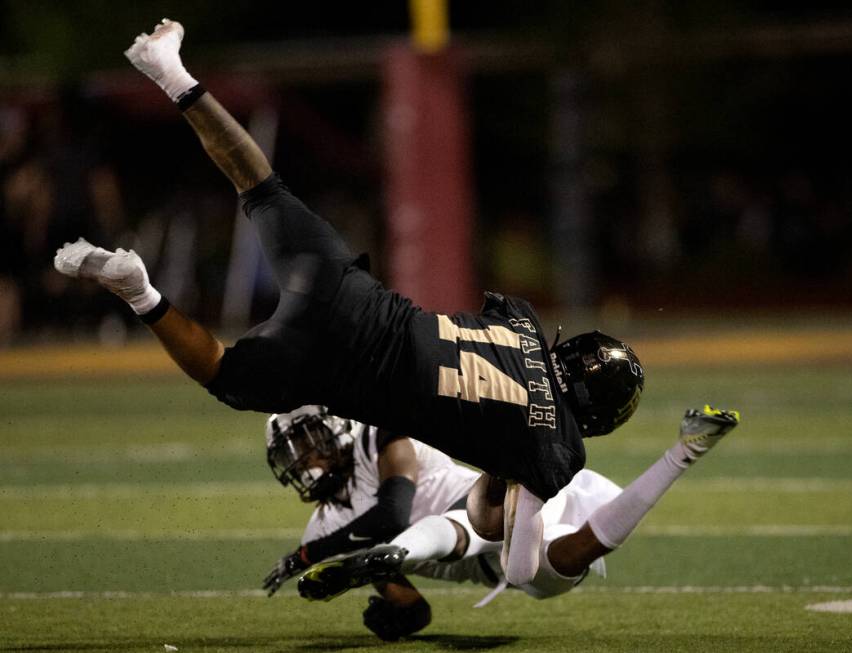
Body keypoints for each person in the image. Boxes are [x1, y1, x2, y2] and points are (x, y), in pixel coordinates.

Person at [52, 19, 644, 585]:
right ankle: (144, 294)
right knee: (225, 376)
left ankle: (170, 71)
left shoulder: (522, 318)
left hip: (355, 297)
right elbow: (505, 548)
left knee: (261, 187)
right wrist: (506, 472)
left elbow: (493, 382)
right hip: (342, 373)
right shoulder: (557, 449)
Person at [262, 404, 739, 641]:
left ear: (332, 430)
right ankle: (686, 450)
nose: (302, 461)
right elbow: (415, 610)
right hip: (506, 556)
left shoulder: (377, 440)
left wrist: (310, 556)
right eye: (290, 455)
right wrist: (394, 617)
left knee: (478, 528)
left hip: (486, 502)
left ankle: (516, 457)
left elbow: (391, 509)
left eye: (304, 444)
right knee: (548, 564)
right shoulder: (323, 531)